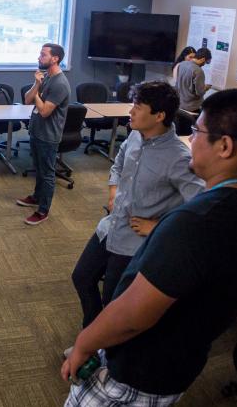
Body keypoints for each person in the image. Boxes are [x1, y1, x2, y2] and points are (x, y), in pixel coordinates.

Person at [62, 88, 237, 406]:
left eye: (198, 131)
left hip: (140, 371)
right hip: (179, 361)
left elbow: (133, 314)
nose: (193, 139)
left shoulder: (196, 220)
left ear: (225, 146)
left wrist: (84, 344)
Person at [71, 81, 204, 329]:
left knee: (113, 299)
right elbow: (118, 165)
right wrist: (113, 192)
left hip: (135, 244)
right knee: (81, 277)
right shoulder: (134, 135)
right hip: (111, 226)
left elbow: (200, 207)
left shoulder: (179, 158)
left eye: (137, 107)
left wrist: (158, 228)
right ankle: (93, 332)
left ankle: (106, 355)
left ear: (159, 115)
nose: (130, 111)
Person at [16, 43, 71, 225]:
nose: (39, 57)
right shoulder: (46, 77)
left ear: (55, 59)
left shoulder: (60, 83)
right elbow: (27, 100)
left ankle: (43, 210)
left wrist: (38, 93)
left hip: (49, 136)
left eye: (43, 54)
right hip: (37, 131)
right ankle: (36, 197)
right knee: (39, 169)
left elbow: (45, 111)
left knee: (47, 173)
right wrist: (37, 84)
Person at [176, 46, 212, 112]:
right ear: (203, 59)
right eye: (205, 62)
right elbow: (199, 93)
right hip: (193, 107)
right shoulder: (198, 71)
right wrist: (205, 87)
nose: (204, 64)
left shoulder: (181, 64)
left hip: (180, 105)